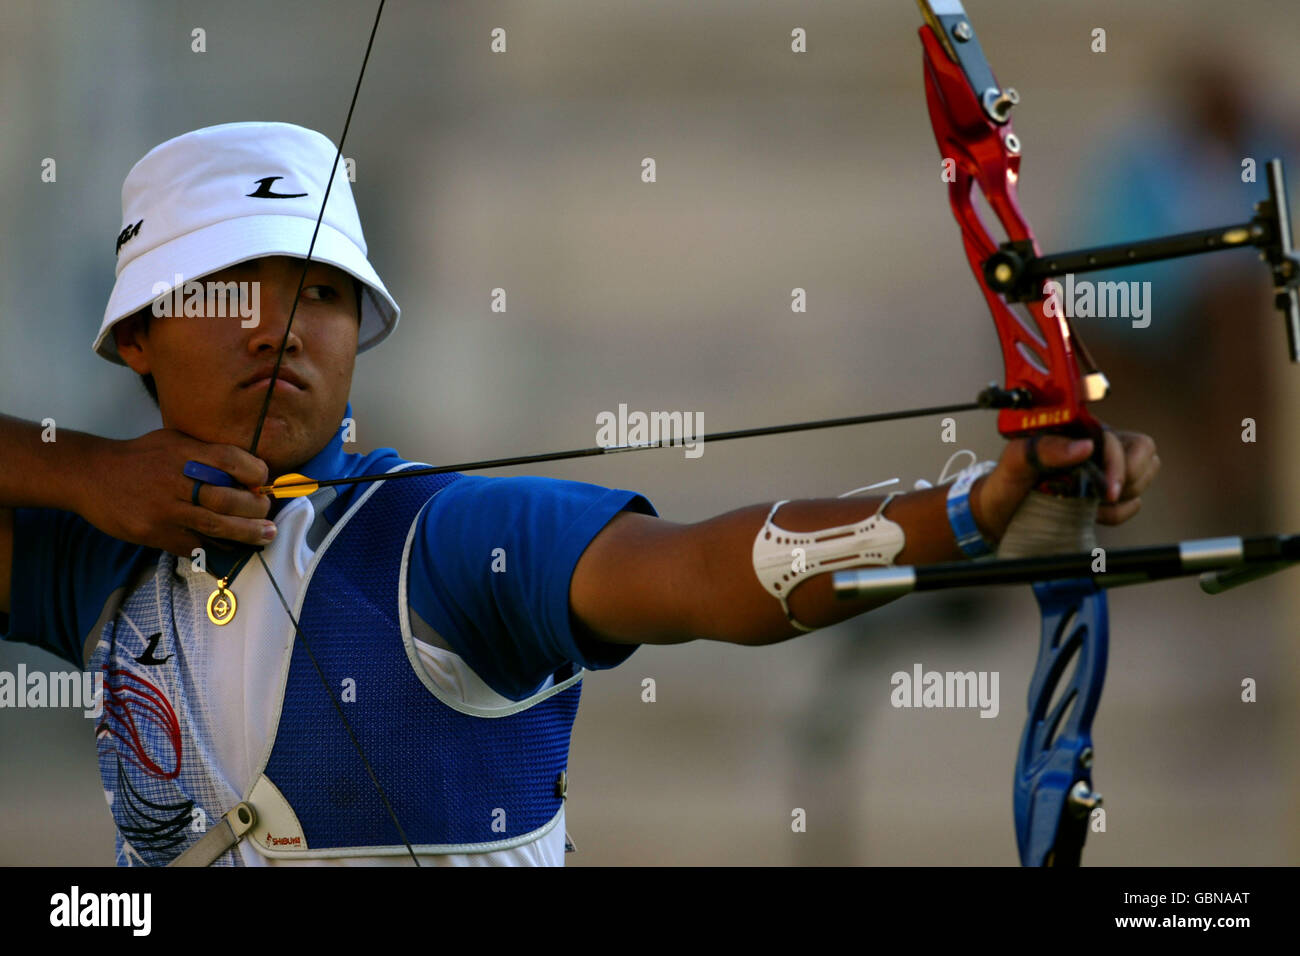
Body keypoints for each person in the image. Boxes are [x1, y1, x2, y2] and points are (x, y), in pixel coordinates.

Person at [0, 122, 1159, 866]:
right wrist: (81, 471)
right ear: (137, 338)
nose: (277, 327)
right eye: (224, 290)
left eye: (318, 292)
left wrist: (976, 507)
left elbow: (707, 570)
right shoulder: (89, 554)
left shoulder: (440, 543)